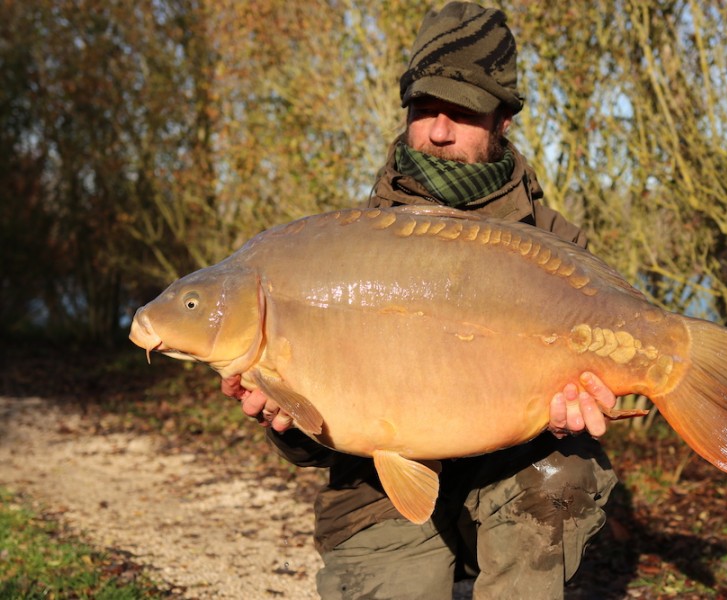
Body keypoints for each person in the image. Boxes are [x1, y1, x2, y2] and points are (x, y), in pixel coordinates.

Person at [223, 3, 618, 598]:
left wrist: (575, 417)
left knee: (562, 471)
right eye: (424, 109)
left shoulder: (555, 248)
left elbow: (585, 394)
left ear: (503, 120)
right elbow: (310, 447)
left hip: (511, 479)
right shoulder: (349, 244)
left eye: (461, 113)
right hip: (375, 495)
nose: (438, 131)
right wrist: (284, 419)